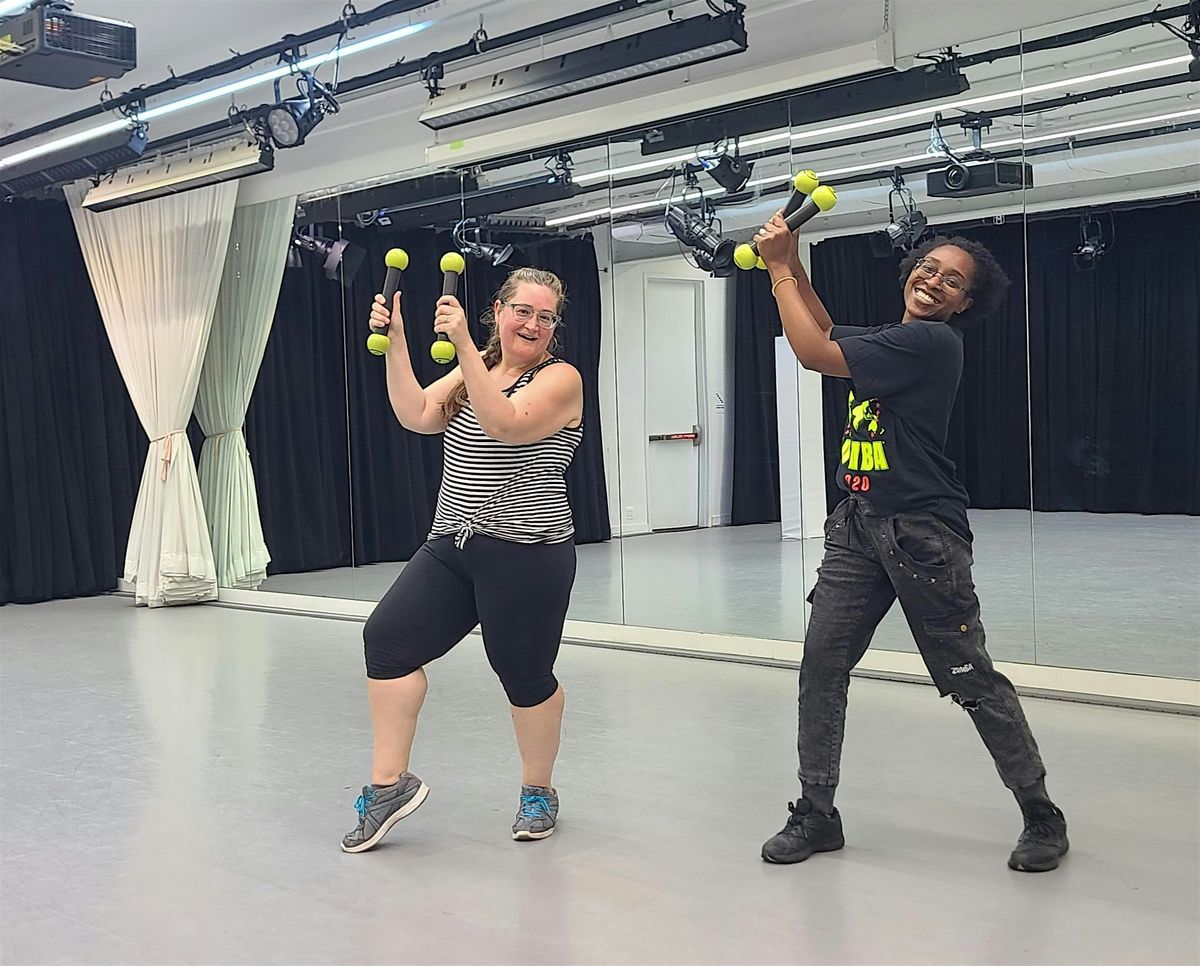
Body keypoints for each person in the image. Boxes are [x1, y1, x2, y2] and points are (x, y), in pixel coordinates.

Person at [754, 213, 1069, 873]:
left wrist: (778, 267)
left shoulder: (931, 342)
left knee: (969, 677)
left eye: (952, 281)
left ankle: (1041, 813)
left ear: (965, 303)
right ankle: (817, 813)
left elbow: (812, 354)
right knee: (822, 666)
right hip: (858, 527)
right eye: (928, 268)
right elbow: (827, 332)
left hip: (922, 535)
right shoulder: (895, 338)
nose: (933, 282)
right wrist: (795, 262)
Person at [342, 266, 584, 853]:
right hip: (453, 543)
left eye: (546, 316)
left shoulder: (561, 378)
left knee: (523, 675)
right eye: (522, 311)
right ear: (498, 311)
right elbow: (418, 414)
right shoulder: (479, 368)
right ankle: (388, 786)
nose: (533, 324)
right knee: (387, 642)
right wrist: (397, 342)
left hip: (529, 555)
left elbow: (505, 425)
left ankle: (538, 790)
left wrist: (465, 348)